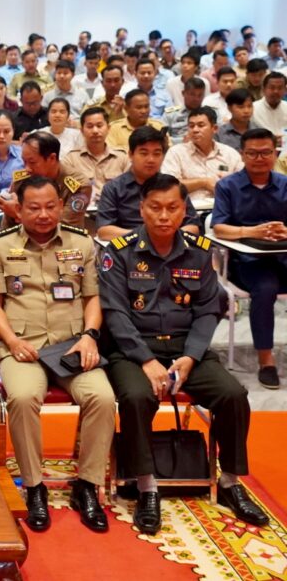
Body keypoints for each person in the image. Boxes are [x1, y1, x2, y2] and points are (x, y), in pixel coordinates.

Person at [99, 174, 268, 533]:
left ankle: (230, 482)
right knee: (136, 396)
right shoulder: (119, 252)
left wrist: (191, 357)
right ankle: (146, 485)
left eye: (172, 208)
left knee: (233, 395)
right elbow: (115, 314)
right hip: (133, 351)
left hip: (186, 349)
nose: (164, 216)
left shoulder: (199, 251)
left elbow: (208, 310)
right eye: (155, 208)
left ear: (183, 210)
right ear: (141, 209)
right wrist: (146, 360)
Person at [0, 175, 114, 533]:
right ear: (18, 209)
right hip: (23, 347)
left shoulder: (82, 243)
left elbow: (92, 298)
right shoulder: (1, 247)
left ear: (60, 206)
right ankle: (34, 486)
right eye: (33, 208)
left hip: (71, 345)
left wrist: (89, 337)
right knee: (23, 397)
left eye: (49, 206)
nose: (43, 215)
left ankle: (87, 486)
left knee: (103, 398)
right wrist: (11, 341)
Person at [211, 128, 287, 389]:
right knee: (265, 289)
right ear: (242, 155)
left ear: (275, 154)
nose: (259, 158)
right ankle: (266, 361)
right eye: (252, 153)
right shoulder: (227, 186)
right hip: (246, 263)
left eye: (266, 152)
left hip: (282, 257)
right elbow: (219, 228)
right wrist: (251, 232)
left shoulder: (285, 184)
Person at [96, 126, 200, 241]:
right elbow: (104, 231)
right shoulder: (114, 188)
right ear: (130, 154)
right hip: (130, 246)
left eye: (156, 154)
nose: (151, 159)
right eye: (144, 153)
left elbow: (193, 226)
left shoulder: (173, 186)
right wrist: (147, 237)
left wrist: (167, 237)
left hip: (171, 245)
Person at [0, 131, 91, 229]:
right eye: (24, 161)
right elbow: (6, 229)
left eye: (32, 162)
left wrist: (18, 214)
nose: (27, 168)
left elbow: (66, 227)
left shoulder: (79, 185)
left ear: (52, 158)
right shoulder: (21, 180)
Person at [160, 107, 242, 203]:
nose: (195, 130)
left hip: (223, 208)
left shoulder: (230, 154)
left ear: (214, 128)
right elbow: (169, 185)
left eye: (201, 125)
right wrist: (203, 182)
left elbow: (243, 184)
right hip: (188, 209)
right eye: (191, 126)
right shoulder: (176, 152)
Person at [60, 107, 129, 203]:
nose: (95, 131)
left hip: (115, 209)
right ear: (82, 131)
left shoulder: (122, 158)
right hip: (83, 209)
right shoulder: (70, 160)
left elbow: (129, 189)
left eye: (99, 126)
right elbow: (67, 189)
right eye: (90, 126)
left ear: (108, 128)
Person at [251, 71, 286, 138]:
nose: (276, 91)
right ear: (263, 89)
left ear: (285, 90)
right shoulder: (253, 108)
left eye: (280, 88)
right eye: (272, 88)